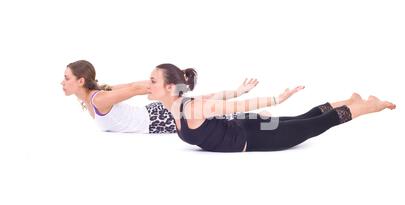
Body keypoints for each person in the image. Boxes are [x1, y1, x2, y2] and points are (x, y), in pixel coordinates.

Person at [148, 63, 396, 152]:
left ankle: (369, 106)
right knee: (305, 118)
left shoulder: (191, 108)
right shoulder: (179, 104)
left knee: (317, 124)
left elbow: (237, 105)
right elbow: (221, 96)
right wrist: (238, 89)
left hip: (256, 135)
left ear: (171, 88)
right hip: (249, 128)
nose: (147, 85)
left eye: (152, 81)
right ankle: (350, 100)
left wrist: (276, 100)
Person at [61, 60, 258, 134]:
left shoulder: (98, 99)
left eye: (66, 78)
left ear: (80, 81)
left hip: (156, 119)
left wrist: (159, 84)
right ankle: (238, 94)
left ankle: (243, 100)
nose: (62, 82)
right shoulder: (93, 95)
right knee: (199, 104)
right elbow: (123, 86)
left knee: (208, 110)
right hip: (153, 115)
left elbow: (132, 87)